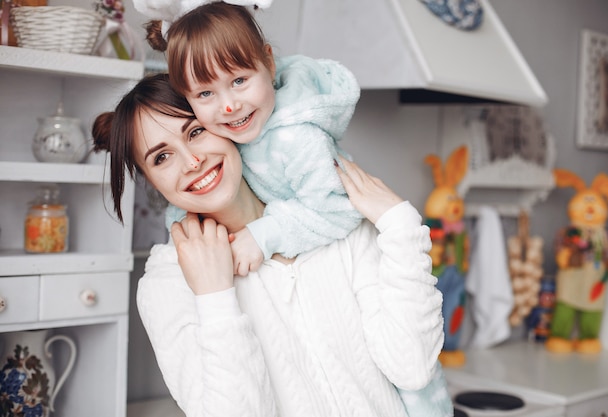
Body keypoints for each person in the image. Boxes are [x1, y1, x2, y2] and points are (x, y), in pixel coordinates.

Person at [92, 73, 451, 417]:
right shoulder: (168, 282)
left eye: (196, 131)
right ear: (152, 181)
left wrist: (401, 227)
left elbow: (413, 368)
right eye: (161, 157)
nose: (192, 161)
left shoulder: (336, 222)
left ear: (226, 123)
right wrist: (215, 297)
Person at [134, 0, 363, 275]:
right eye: (205, 94)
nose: (229, 106)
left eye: (239, 81)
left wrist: (263, 235)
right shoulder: (224, 137)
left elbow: (339, 209)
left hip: (338, 265)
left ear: (268, 62)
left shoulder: (299, 139)